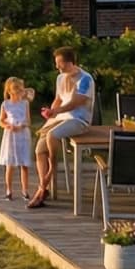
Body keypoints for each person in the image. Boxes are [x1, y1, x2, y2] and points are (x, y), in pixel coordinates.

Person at [29, 47, 95, 208]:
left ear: (70, 62)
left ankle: (51, 169)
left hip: (79, 120)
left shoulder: (85, 79)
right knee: (39, 149)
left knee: (52, 135)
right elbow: (58, 99)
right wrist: (51, 113)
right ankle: (44, 187)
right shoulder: (60, 78)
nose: (58, 67)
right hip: (61, 118)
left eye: (60, 64)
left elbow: (75, 103)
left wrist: (56, 111)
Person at [0, 78, 35, 200]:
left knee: (24, 164)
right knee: (10, 164)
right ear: (9, 91)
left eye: (20, 88)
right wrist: (7, 125)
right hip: (11, 135)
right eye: (15, 89)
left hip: (22, 134)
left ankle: (25, 190)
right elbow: (1, 121)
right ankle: (9, 190)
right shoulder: (5, 104)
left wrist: (21, 126)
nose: (18, 91)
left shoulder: (25, 103)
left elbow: (28, 121)